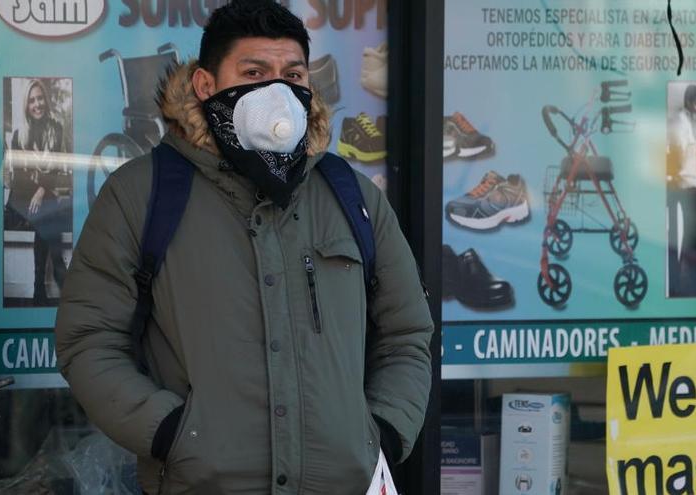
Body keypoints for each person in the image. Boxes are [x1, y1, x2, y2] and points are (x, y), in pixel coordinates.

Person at [54, 2, 433, 494]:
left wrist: (376, 432)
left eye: (292, 74)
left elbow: (407, 335)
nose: (278, 91)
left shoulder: (353, 196)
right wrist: (173, 434)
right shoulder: (141, 194)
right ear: (206, 85)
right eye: (254, 72)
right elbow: (88, 339)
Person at [5, 78, 72, 305]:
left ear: (46, 99)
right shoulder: (18, 135)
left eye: (40, 98)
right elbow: (19, 176)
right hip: (21, 198)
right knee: (47, 212)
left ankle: (38, 290)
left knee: (46, 211)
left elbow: (53, 166)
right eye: (32, 100)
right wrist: (40, 189)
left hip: (40, 199)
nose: (37, 104)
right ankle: (57, 273)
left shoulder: (56, 129)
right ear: (26, 105)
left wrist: (42, 189)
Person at [666, 84, 696, 296]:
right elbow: (684, 150)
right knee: (681, 235)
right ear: (687, 102)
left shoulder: (686, 122)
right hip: (683, 184)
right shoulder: (678, 122)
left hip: (687, 182)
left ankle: (681, 280)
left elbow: (690, 150)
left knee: (686, 234)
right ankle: (678, 282)